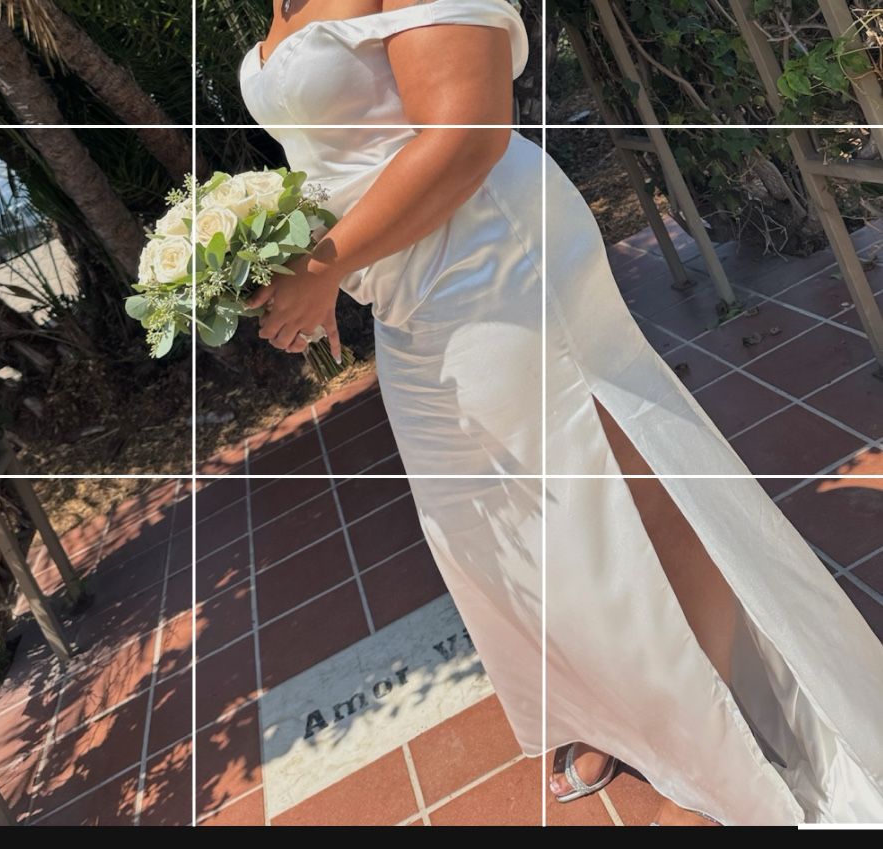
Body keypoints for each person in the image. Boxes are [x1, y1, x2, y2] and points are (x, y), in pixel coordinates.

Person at [237, 0, 883, 825]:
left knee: (616, 489)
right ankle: (619, 706)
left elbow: (467, 132)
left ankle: (713, 737)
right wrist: (305, 257)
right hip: (400, 285)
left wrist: (324, 266)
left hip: (492, 258)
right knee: (497, 521)